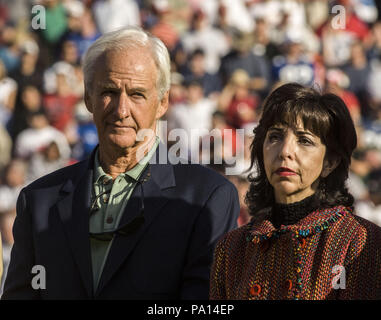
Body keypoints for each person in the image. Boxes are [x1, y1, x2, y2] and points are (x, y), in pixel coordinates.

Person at [2, 27, 239, 300]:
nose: (121, 110)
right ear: (88, 98)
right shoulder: (39, 201)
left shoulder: (207, 197)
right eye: (109, 92)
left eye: (137, 94)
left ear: (162, 103)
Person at [210, 82, 381, 300]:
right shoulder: (232, 249)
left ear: (330, 162)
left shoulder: (359, 242)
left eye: (304, 140)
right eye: (275, 137)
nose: (285, 151)